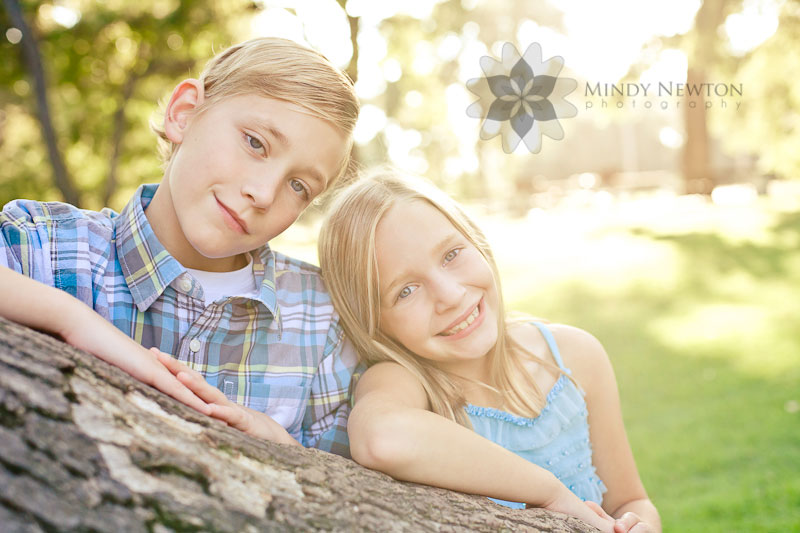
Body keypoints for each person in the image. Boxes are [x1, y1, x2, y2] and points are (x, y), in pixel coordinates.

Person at [0, 37, 362, 456]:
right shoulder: (43, 247)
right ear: (184, 113)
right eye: (255, 142)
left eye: (298, 186)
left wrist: (286, 451)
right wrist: (70, 318)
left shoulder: (322, 322)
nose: (264, 194)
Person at [317, 170, 661, 532]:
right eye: (406, 291)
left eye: (451, 255)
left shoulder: (575, 356)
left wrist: (640, 526)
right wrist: (548, 492)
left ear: (476, 240)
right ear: (374, 324)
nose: (451, 295)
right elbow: (380, 438)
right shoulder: (403, 382)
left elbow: (630, 501)